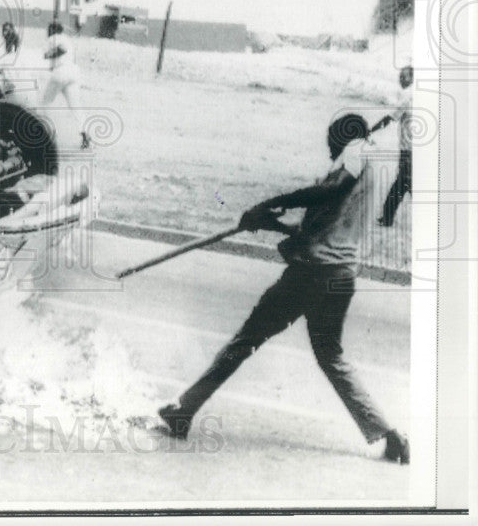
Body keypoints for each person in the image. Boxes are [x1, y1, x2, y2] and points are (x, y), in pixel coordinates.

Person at [156, 114, 410, 465]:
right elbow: (317, 227)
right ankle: (390, 434)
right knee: (331, 357)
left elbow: (326, 192)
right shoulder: (375, 172)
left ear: (343, 140)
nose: (332, 154)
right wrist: (268, 220)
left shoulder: (355, 153)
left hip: (311, 274)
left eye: (333, 146)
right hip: (341, 276)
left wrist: (274, 202)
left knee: (245, 342)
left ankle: (184, 410)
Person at [373, 65, 413, 226]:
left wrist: (370, 130)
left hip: (408, 151)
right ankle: (387, 215)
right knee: (404, 183)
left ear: (412, 78)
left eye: (404, 76)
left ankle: (388, 216)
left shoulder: (407, 97)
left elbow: (389, 118)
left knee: (404, 183)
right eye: (400, 76)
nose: (400, 79)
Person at [42, 20, 89, 149]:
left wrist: (48, 55)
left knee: (46, 102)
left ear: (52, 30)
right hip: (73, 72)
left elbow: (60, 50)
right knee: (75, 105)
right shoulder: (67, 39)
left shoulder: (53, 38)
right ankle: (84, 132)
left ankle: (51, 134)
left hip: (60, 72)